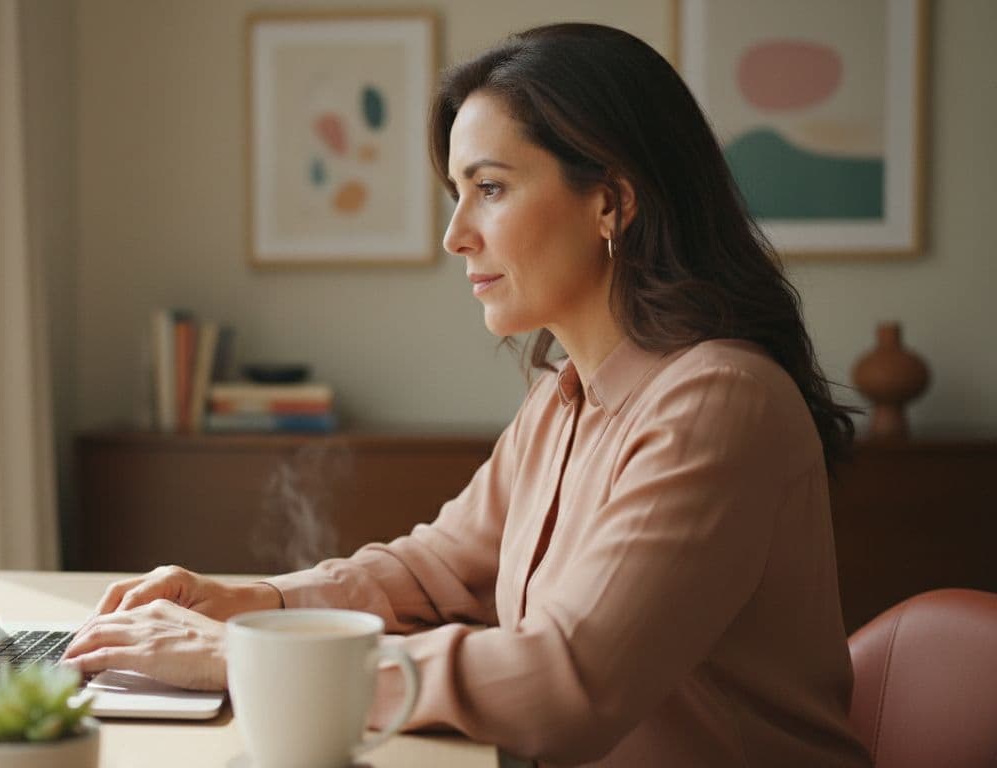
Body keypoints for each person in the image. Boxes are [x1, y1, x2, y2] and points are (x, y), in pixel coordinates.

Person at [62, 23, 871, 766]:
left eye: (489, 188)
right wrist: (248, 602)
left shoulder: (717, 403)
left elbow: (565, 683)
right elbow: (433, 572)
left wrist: (245, 656)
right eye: (458, 191)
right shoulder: (563, 399)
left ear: (610, 202)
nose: (455, 235)